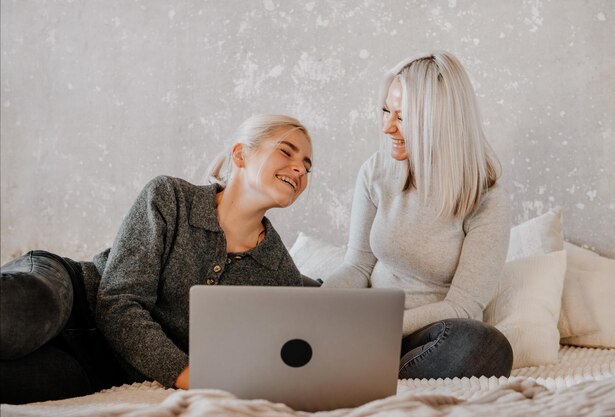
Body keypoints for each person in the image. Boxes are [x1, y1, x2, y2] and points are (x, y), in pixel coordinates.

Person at [0, 114, 315, 404]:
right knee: (28, 307)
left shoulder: (282, 275)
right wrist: (190, 375)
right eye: (286, 152)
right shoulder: (170, 196)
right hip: (75, 297)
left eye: (307, 165)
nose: (300, 169)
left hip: (99, 370)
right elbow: (119, 303)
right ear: (240, 154)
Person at [322, 51, 514, 379]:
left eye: (402, 116)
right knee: (293, 289)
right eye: (385, 111)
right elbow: (358, 264)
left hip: (425, 336)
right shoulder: (376, 171)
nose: (387, 128)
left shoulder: (485, 198)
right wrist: (315, 308)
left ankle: (362, 368)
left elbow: (464, 307)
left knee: (486, 345)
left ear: (440, 119)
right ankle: (344, 355)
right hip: (363, 319)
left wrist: (378, 325)